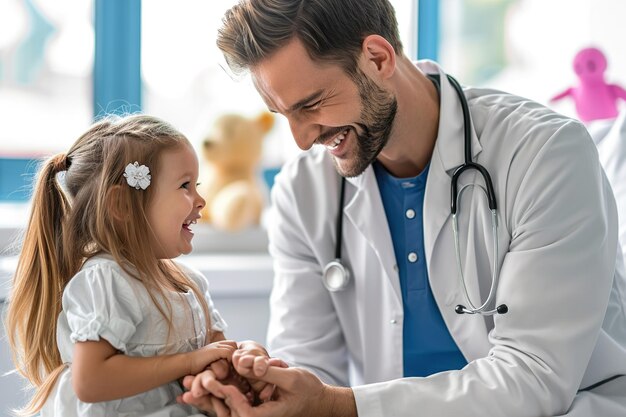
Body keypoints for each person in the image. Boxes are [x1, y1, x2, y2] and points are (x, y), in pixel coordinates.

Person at [180, 1, 626, 416]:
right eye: (283, 115)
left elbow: (534, 376)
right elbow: (310, 367)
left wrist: (337, 405)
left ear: (377, 58)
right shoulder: (305, 190)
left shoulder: (545, 154)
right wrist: (264, 385)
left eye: (311, 105)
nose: (301, 139)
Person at [5, 114, 273, 416]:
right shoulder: (106, 281)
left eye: (196, 184)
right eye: (185, 185)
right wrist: (189, 362)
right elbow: (90, 381)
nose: (201, 200)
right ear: (121, 205)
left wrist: (240, 359)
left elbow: (214, 354)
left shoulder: (190, 285)